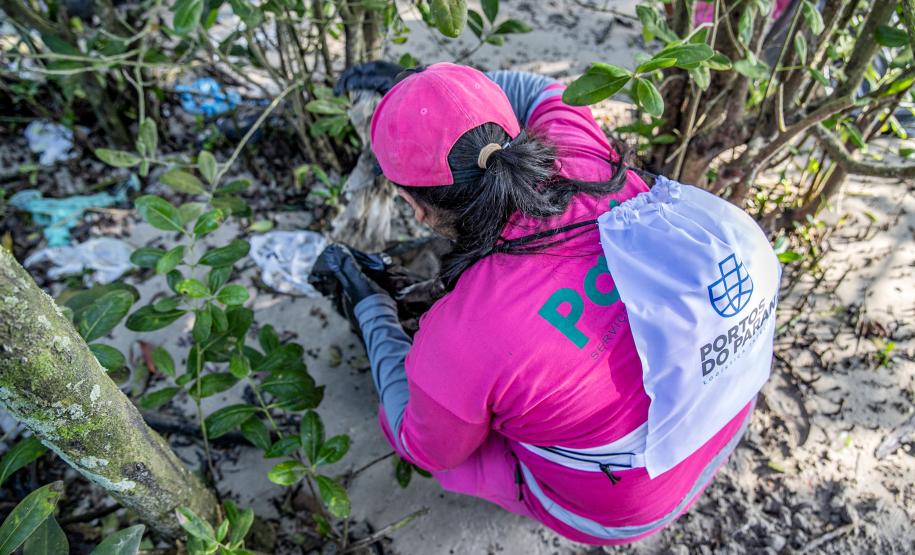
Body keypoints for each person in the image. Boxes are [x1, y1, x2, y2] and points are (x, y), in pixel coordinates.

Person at [322, 62, 759, 546]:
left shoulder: (461, 337)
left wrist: (370, 307)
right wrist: (429, 87)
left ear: (415, 208)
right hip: (725, 413)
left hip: (630, 510)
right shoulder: (579, 148)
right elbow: (540, 88)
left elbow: (422, 447)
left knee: (463, 447)